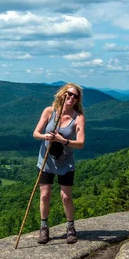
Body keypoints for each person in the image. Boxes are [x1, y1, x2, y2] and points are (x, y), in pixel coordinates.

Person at [32, 83, 85, 244]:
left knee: (65, 197)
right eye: (69, 94)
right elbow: (35, 133)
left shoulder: (78, 118)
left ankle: (70, 227)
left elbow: (81, 143)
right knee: (45, 195)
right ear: (62, 94)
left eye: (75, 96)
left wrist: (64, 141)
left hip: (65, 162)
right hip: (46, 160)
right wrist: (46, 137)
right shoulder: (49, 112)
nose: (72, 97)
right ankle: (44, 228)